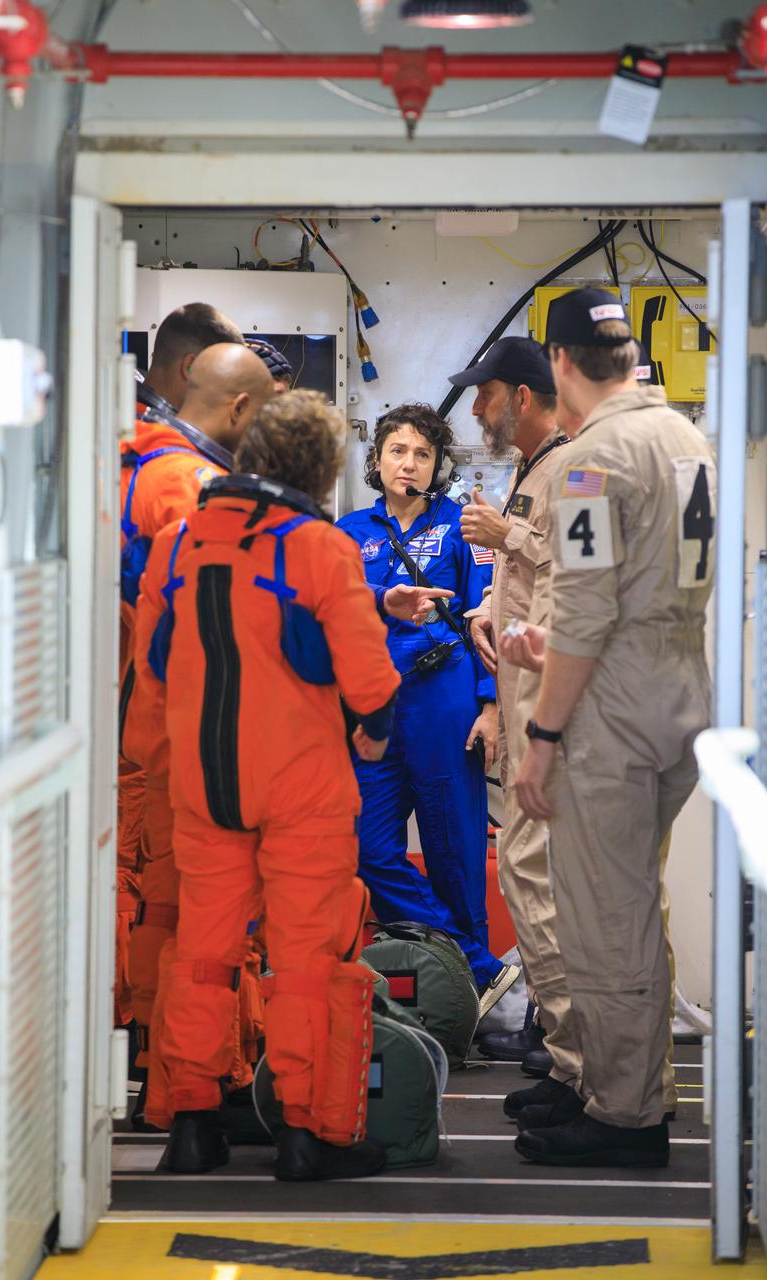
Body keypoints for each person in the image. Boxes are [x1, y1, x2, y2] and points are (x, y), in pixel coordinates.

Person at [132, 390, 401, 1181]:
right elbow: (371, 680)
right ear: (319, 470)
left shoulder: (176, 542)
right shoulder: (317, 546)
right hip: (300, 787)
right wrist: (374, 736)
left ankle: (187, 1124)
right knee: (305, 959)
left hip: (202, 786)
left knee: (201, 955)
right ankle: (305, 1133)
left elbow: (151, 667)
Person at [511, 288, 716, 1167]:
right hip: (675, 687)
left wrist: (543, 738)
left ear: (558, 364)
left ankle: (626, 1119)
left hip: (610, 714)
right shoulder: (682, 435)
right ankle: (619, 1089)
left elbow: (587, 613)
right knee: (634, 903)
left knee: (604, 915)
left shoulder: (591, 460)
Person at [121, 341, 274, 1124]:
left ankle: (166, 1083)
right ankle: (197, 1096)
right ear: (241, 409)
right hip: (194, 745)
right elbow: (218, 633)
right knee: (205, 930)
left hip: (147, 734)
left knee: (163, 917)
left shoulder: (137, 465)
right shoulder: (194, 489)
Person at [337, 403, 519, 1017]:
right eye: (396, 450)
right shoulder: (348, 533)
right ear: (377, 459)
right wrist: (378, 599)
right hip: (374, 710)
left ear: (438, 463)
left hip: (445, 698)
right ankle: (479, 965)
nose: (408, 463)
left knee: (455, 854)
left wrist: (491, 708)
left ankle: (463, 1007)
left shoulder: (465, 527)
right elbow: (325, 608)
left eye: (421, 453)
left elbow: (487, 623)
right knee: (369, 850)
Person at [116, 303, 245, 1032]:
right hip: (167, 727)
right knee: (171, 896)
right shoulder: (181, 481)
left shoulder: (134, 454)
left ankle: (153, 1049)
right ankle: (165, 1054)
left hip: (145, 719)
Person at [446, 337, 572, 1082]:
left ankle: (570, 1054)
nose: (476, 410)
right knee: (522, 874)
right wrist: (485, 613)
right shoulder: (532, 469)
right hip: (523, 696)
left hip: (552, 706)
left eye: (483, 395)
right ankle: (562, 1051)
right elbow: (534, 580)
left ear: (520, 397)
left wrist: (507, 537)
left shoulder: (575, 467)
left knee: (531, 872)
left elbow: (587, 578)